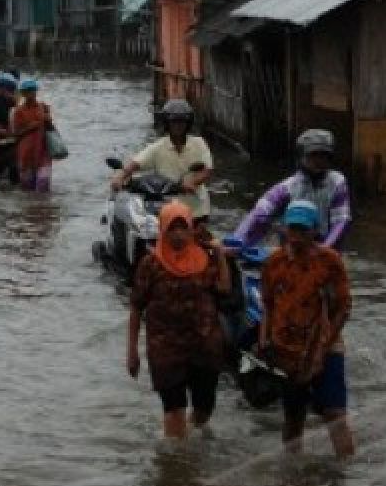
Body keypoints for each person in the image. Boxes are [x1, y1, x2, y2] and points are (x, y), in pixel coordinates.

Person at [127, 201, 231, 440]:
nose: (178, 234)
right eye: (172, 228)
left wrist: (221, 255)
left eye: (183, 228)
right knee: (174, 411)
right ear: (162, 230)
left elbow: (224, 289)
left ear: (192, 229)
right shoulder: (150, 264)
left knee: (204, 410)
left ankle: (191, 434)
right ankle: (176, 469)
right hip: (165, 348)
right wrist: (132, 352)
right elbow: (135, 307)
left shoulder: (206, 259)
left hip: (204, 345)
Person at [259, 200, 354, 458]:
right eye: (293, 230)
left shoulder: (329, 262)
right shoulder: (275, 263)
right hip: (288, 350)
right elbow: (267, 304)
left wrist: (323, 346)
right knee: (293, 418)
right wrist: (264, 338)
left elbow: (343, 308)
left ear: (315, 231)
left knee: (335, 415)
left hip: (326, 346)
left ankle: (345, 474)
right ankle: (293, 479)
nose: (297, 237)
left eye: (303, 230)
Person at [233, 129, 352, 250]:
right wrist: (237, 240)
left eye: (323, 156)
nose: (319, 160)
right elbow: (259, 213)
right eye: (313, 155)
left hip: (326, 246)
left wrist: (325, 248)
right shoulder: (288, 187)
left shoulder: (338, 182)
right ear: (301, 157)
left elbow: (341, 220)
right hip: (292, 248)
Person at [112, 99, 214, 225]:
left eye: (182, 121)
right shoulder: (158, 147)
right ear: (167, 123)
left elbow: (207, 170)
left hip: (196, 210)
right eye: (174, 122)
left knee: (202, 242)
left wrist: (192, 182)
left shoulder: (199, 143)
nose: (178, 125)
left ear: (188, 123)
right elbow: (136, 163)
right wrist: (120, 176)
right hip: (168, 210)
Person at [11, 78, 53, 192]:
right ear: (23, 93)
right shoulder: (19, 111)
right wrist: (31, 127)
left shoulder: (43, 107)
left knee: (43, 185)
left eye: (33, 90)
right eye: (28, 91)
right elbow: (16, 134)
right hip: (26, 155)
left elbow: (50, 128)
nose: (31, 93)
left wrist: (48, 120)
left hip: (43, 152)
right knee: (27, 190)